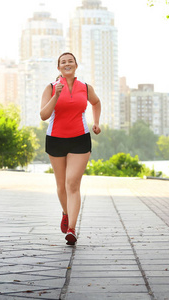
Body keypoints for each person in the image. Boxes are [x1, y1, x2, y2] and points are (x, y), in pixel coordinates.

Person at [40, 52, 101, 245]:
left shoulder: (86, 87)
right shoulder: (50, 88)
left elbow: (96, 103)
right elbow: (43, 115)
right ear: (59, 68)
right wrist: (56, 95)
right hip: (55, 139)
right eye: (63, 62)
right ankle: (65, 213)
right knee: (61, 186)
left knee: (72, 184)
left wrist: (97, 122)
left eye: (70, 61)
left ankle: (72, 229)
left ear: (76, 65)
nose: (67, 64)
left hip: (80, 139)